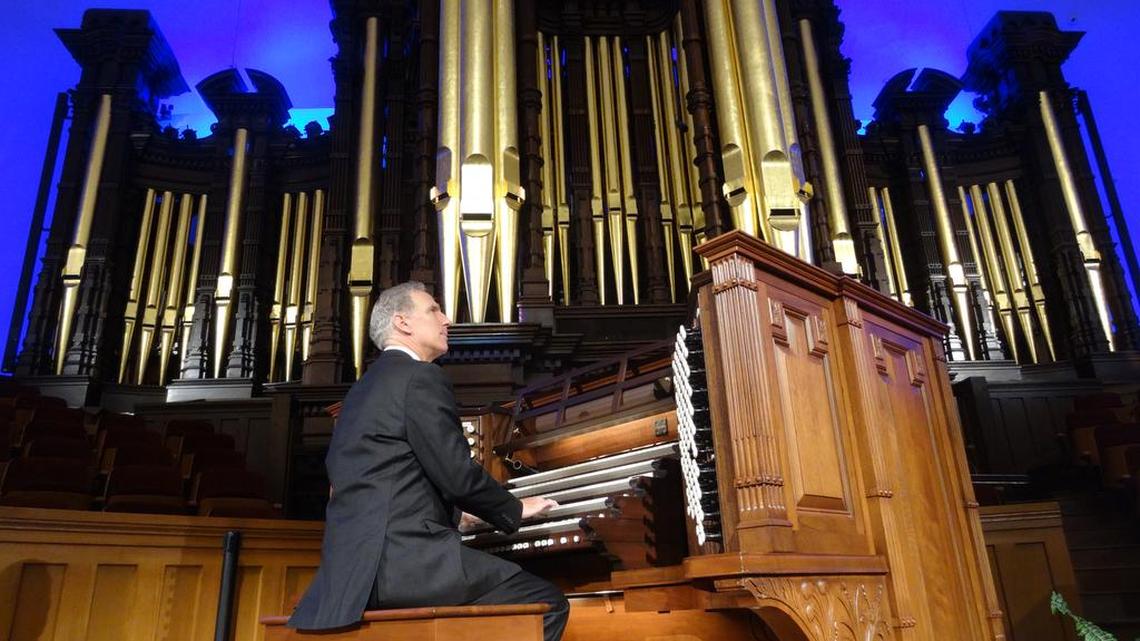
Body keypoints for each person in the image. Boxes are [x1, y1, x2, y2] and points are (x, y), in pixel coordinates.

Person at [288, 281, 569, 640]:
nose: (446, 319)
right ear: (402, 322)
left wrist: (458, 516)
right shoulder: (420, 376)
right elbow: (457, 475)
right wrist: (514, 508)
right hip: (406, 565)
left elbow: (387, 479)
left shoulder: (361, 390)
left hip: (350, 576)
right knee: (547, 604)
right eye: (434, 310)